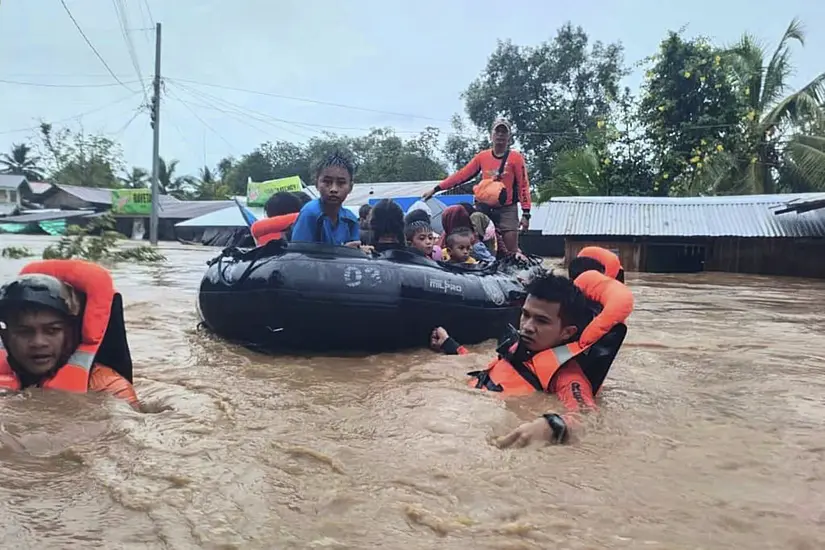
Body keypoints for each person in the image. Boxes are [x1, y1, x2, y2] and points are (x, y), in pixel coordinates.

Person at [430, 270, 630, 447]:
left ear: (567, 333)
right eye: (525, 315)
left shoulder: (567, 377)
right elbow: (489, 369)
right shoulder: (519, 348)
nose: (527, 326)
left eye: (541, 321)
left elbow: (588, 418)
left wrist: (552, 426)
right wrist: (451, 345)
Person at [0, 259, 139, 409]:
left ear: (71, 333)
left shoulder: (109, 387)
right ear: (6, 336)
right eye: (24, 332)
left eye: (52, 330)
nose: (38, 342)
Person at [422, 118, 531, 253]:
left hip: (507, 209)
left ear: (509, 137)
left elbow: (523, 186)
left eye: (504, 132)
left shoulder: (515, 158)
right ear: (491, 135)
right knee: (473, 238)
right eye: (497, 131)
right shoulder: (482, 157)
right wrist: (436, 189)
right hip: (484, 208)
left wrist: (526, 213)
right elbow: (462, 175)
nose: (500, 135)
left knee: (511, 249)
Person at [290, 152, 361, 247]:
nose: (333, 189)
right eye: (327, 182)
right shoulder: (310, 213)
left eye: (341, 183)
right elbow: (300, 256)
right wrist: (344, 251)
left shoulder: (350, 219)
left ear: (350, 187)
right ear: (316, 184)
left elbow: (355, 249)